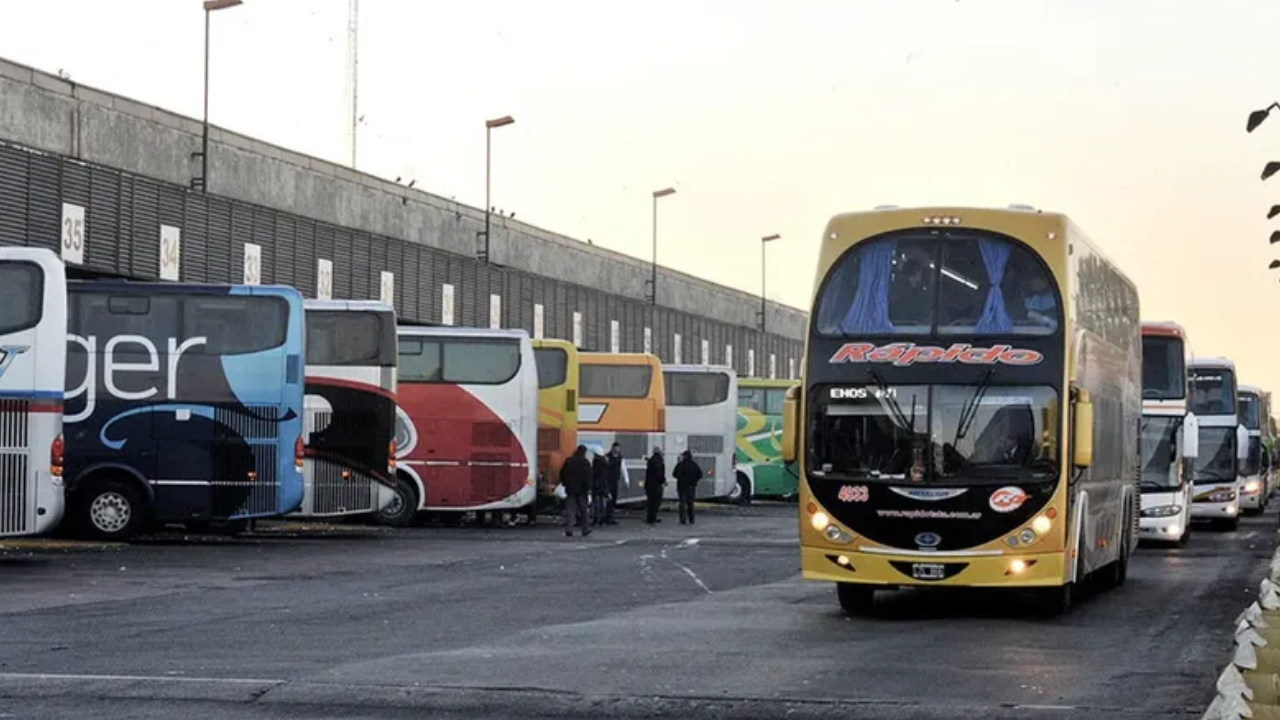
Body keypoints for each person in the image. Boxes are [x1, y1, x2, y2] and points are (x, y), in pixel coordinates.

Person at [559, 445, 592, 537]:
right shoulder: (585, 462)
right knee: (584, 510)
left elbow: (562, 473)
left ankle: (568, 529)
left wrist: (565, 483)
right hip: (581, 491)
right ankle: (585, 529)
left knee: (570, 510)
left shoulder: (569, 461)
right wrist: (589, 488)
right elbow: (588, 477)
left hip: (570, 490)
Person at [673, 450, 703, 525]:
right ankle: (691, 519)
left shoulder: (680, 465)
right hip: (691, 487)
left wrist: (681, 478)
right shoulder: (694, 465)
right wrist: (694, 481)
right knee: (690, 504)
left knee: (682, 504)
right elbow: (700, 474)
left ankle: (683, 519)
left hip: (682, 487)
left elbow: (674, 474)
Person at [644, 446, 666, 525]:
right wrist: (663, 480)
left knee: (650, 502)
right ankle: (652, 518)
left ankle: (650, 518)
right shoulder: (659, 461)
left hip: (649, 484)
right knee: (656, 502)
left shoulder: (651, 460)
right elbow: (659, 473)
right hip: (656, 485)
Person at [603, 443, 623, 525]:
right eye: (616, 448)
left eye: (618, 448)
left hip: (615, 481)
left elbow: (621, 468)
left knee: (614, 499)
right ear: (612, 448)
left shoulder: (619, 457)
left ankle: (610, 516)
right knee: (609, 499)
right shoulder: (608, 457)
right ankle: (606, 517)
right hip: (608, 480)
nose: (617, 450)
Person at [590, 449, 609, 525]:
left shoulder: (596, 462)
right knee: (602, 503)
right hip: (604, 485)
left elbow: (595, 474)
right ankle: (602, 519)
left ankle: (596, 518)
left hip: (597, 485)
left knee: (596, 503)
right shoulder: (605, 462)